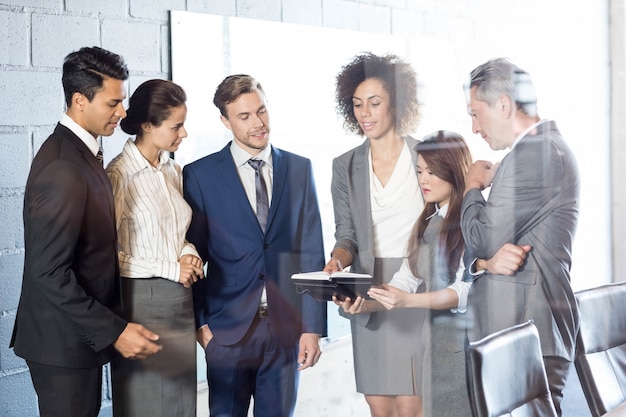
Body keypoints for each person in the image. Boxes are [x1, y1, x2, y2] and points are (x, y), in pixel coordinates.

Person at [10, 46, 162, 417]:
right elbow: (48, 272)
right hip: (61, 346)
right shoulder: (63, 166)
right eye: (113, 103)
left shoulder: (82, 153)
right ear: (80, 100)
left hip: (75, 340)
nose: (122, 112)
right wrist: (115, 330)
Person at [183, 74, 327, 417]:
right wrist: (201, 327)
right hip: (226, 333)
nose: (258, 123)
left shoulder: (299, 169)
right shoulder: (200, 176)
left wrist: (312, 327)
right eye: (244, 116)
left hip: (285, 332)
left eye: (261, 111)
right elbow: (193, 255)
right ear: (225, 121)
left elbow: (311, 251)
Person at [461, 57, 580, 416]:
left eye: (475, 113)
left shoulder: (536, 154)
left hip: (527, 332)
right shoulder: (534, 151)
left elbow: (481, 236)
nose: (474, 127)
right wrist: (483, 262)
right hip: (516, 333)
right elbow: (485, 251)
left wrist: (471, 187)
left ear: (503, 104)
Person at [324, 52, 426, 417]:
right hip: (367, 288)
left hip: (416, 285)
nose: (365, 113)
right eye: (357, 105)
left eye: (375, 103)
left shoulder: (425, 156)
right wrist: (337, 260)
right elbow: (347, 235)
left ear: (395, 103)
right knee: (379, 405)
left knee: (412, 405)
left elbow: (441, 229)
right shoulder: (345, 166)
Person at [105, 79, 205, 417]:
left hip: (180, 306)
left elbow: (174, 233)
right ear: (148, 125)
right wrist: (170, 268)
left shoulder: (172, 170)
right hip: (140, 307)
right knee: (144, 406)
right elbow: (110, 256)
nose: (184, 133)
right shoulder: (119, 175)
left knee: (179, 408)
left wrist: (188, 252)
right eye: (177, 126)